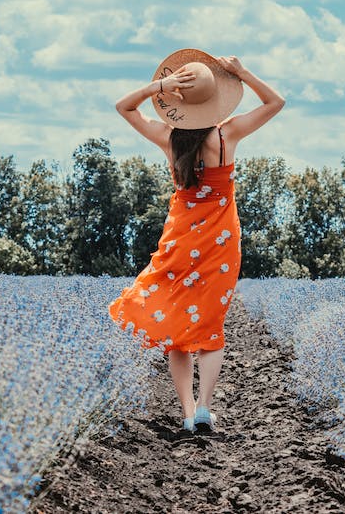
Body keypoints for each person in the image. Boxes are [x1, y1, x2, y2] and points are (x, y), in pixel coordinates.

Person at [108, 48, 285, 434]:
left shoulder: (168, 138)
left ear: (177, 103)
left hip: (179, 240)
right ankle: (205, 406)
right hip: (221, 245)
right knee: (210, 326)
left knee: (177, 328)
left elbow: (124, 107)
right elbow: (276, 102)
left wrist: (159, 86)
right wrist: (243, 71)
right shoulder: (227, 135)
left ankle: (188, 413)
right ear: (215, 101)